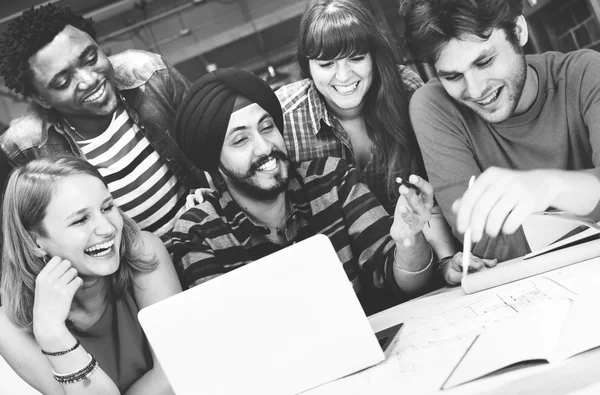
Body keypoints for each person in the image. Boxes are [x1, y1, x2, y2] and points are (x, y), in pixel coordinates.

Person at [171, 68, 481, 315]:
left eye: (267, 128)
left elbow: (403, 281)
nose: (265, 147)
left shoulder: (332, 179)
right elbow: (227, 340)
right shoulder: (199, 232)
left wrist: (409, 239)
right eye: (240, 140)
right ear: (215, 164)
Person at [401, 0, 600, 262]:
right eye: (453, 76)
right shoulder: (433, 106)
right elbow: (483, 242)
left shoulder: (585, 73)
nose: (476, 90)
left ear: (518, 31)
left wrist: (548, 187)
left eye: (484, 62)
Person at [276, 0, 468, 273]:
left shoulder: (407, 90)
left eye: (355, 58)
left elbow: (432, 188)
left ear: (373, 55)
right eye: (326, 64)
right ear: (308, 67)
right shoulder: (285, 119)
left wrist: (446, 261)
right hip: (340, 279)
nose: (343, 77)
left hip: (424, 265)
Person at [0, 3, 207, 245]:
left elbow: (217, 144)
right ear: (40, 98)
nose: (89, 80)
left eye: (90, 58)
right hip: (128, 269)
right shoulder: (26, 147)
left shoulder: (149, 75)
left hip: (204, 234)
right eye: (64, 81)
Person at [0, 156, 180, 394]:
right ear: (35, 242)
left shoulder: (144, 252)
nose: (108, 228)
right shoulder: (8, 325)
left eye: (107, 207)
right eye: (80, 219)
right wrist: (52, 334)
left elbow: (174, 370)